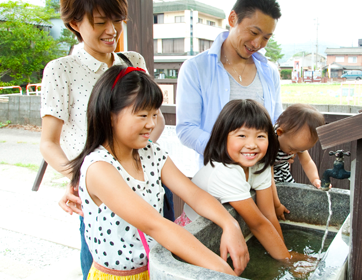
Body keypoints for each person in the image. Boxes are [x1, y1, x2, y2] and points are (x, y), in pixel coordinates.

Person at [67, 65, 248, 279]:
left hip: (156, 270)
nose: (152, 124)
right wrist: (222, 271)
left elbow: (193, 193)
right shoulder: (99, 168)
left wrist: (230, 223)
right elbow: (156, 225)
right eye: (143, 115)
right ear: (109, 115)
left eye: (155, 114)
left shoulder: (151, 152)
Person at [39, 1, 168, 278]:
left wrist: (138, 160)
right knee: (102, 269)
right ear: (75, 24)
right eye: (100, 23)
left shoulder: (133, 62)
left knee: (158, 262)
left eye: (118, 20)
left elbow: (155, 121)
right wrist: (80, 178)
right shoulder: (61, 70)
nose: (112, 30)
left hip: (145, 186)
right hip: (100, 199)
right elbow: (49, 143)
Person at [179, 99, 311, 263]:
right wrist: (289, 260)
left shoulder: (260, 165)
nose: (252, 145)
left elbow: (268, 216)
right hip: (192, 237)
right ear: (222, 137)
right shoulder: (224, 172)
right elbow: (258, 224)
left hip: (222, 232)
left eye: (260, 136)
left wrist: (285, 252)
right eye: (242, 135)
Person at [176, 0, 283, 166]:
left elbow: (275, 123)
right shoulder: (196, 68)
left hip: (261, 174)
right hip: (216, 176)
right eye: (254, 32)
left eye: (266, 38)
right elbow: (187, 129)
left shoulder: (270, 71)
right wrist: (230, 151)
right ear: (233, 19)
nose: (257, 44)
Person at [271, 104, 327, 220]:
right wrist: (276, 204)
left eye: (299, 150)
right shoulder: (269, 141)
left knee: (292, 193)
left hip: (283, 171)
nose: (294, 153)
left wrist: (315, 179)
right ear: (280, 132)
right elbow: (267, 178)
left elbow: (307, 162)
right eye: (292, 149)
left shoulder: (294, 141)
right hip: (265, 173)